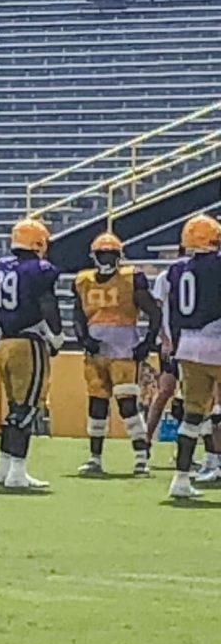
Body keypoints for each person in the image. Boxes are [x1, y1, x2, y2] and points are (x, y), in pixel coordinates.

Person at [0, 218, 63, 490]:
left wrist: (0, 321)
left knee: (15, 408)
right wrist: (57, 336)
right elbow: (48, 303)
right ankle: (17, 471)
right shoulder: (39, 269)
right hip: (28, 343)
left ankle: (2, 466)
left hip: (5, 343)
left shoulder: (2, 268)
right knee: (26, 409)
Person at [71, 232, 161, 477]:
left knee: (128, 405)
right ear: (94, 256)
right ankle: (95, 458)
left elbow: (154, 312)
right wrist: (83, 338)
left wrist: (148, 342)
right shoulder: (83, 281)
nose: (106, 258)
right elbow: (78, 314)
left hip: (124, 350)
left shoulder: (131, 279)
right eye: (102, 254)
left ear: (119, 256)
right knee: (97, 404)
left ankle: (141, 458)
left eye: (110, 253)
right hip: (96, 351)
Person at [164, 214, 221, 500]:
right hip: (217, 340)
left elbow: (173, 312)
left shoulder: (175, 270)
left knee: (192, 416)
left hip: (187, 345)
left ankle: (181, 478)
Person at [145, 250, 180, 449]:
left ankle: (186, 448)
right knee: (165, 390)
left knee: (194, 397)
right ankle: (146, 440)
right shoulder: (165, 277)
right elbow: (156, 311)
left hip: (190, 341)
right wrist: (165, 338)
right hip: (172, 342)